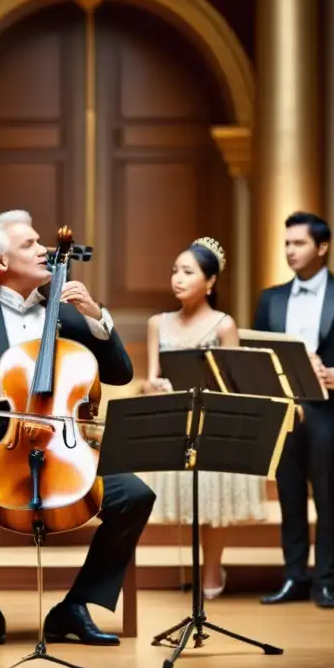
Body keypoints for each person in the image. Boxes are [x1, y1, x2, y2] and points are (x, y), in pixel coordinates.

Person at [0, 209, 155, 650]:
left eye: (42, 243)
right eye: (28, 244)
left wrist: (98, 317)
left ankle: (76, 606)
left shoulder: (71, 315)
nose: (43, 250)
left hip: (68, 448)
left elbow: (119, 373)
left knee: (135, 495)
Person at [254, 213, 334, 609]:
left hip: (328, 409)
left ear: (322, 247)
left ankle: (324, 581)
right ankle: (294, 577)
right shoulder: (270, 298)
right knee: (288, 494)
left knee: (326, 494)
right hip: (285, 409)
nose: (290, 250)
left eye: (298, 243)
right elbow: (255, 352)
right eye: (286, 243)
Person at [139, 237, 266, 599]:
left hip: (213, 423)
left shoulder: (224, 325)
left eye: (188, 272)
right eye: (174, 271)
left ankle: (211, 567)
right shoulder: (157, 323)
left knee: (214, 500)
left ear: (210, 282)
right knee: (189, 501)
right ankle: (195, 566)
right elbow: (150, 379)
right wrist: (155, 386)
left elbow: (234, 383)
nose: (177, 278)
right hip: (175, 421)